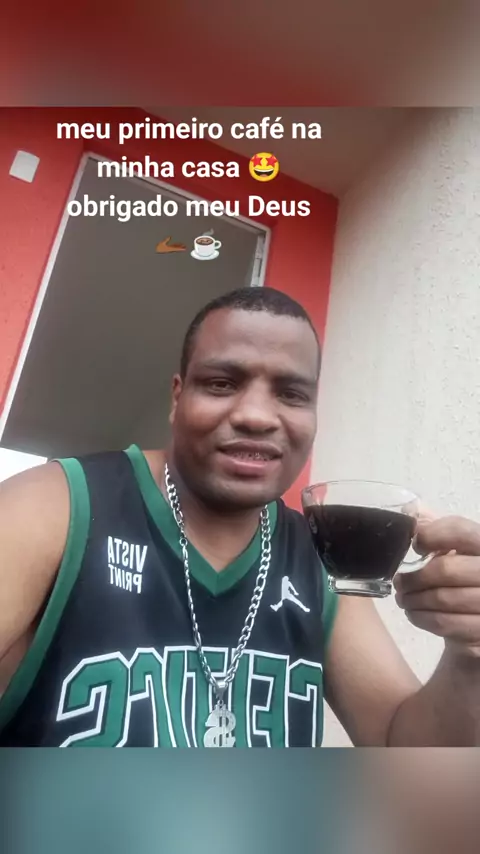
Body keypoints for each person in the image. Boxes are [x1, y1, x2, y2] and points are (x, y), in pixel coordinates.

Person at [0, 286, 479, 747]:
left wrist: (469, 653)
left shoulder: (320, 558)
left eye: (291, 394)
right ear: (177, 397)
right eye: (222, 383)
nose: (256, 416)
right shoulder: (56, 507)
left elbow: (405, 750)